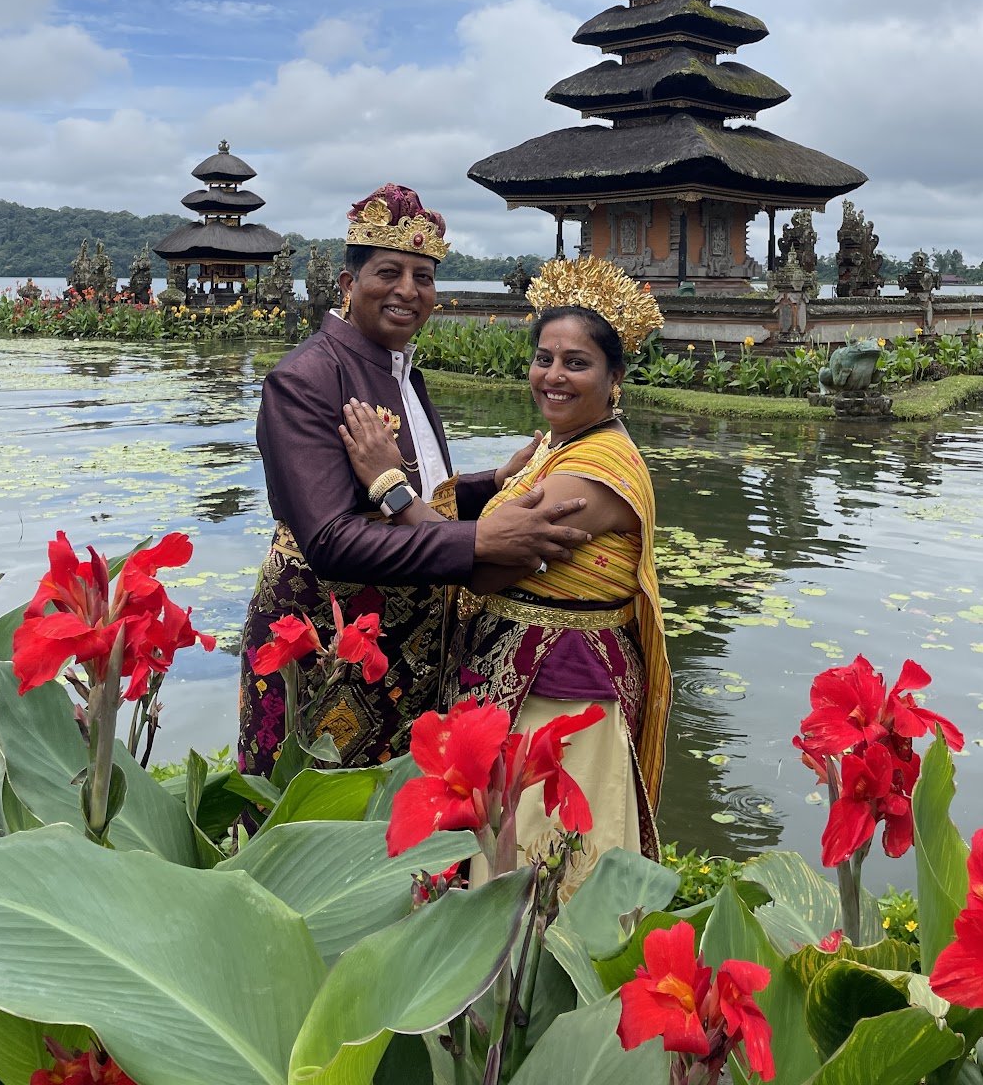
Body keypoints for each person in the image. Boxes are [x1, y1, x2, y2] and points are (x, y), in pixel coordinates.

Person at [340, 255, 671, 889]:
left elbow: (483, 567)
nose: (553, 376)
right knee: (505, 849)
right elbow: (486, 543)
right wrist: (495, 482)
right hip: (516, 673)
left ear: (615, 377)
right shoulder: (556, 447)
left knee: (546, 867)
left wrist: (390, 485)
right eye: (544, 358)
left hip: (561, 689)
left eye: (577, 363)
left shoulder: (595, 469)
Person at [239, 183, 591, 775]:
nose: (408, 290)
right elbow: (330, 539)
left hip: (407, 646)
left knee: (397, 820)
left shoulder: (401, 371)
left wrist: (490, 483)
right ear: (348, 284)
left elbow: (418, 494)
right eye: (389, 272)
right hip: (330, 644)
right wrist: (478, 541)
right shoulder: (305, 381)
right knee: (313, 822)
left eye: (423, 277)